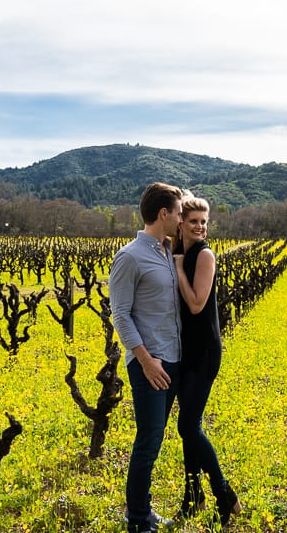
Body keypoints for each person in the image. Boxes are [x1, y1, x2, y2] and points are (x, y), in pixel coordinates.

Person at [110, 182, 184, 533]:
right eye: (179, 213)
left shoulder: (169, 251)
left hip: (171, 358)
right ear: (164, 213)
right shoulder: (129, 256)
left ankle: (143, 510)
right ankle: (137, 520)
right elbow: (120, 315)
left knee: (155, 439)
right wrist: (145, 360)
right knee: (149, 440)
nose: (183, 219)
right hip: (149, 363)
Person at [173, 194, 242, 526]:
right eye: (194, 221)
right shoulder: (176, 250)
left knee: (187, 425)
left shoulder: (204, 255)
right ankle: (192, 497)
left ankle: (223, 493)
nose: (200, 227)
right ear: (181, 223)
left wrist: (177, 269)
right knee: (189, 427)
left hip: (204, 350)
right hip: (183, 350)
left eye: (204, 222)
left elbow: (197, 304)